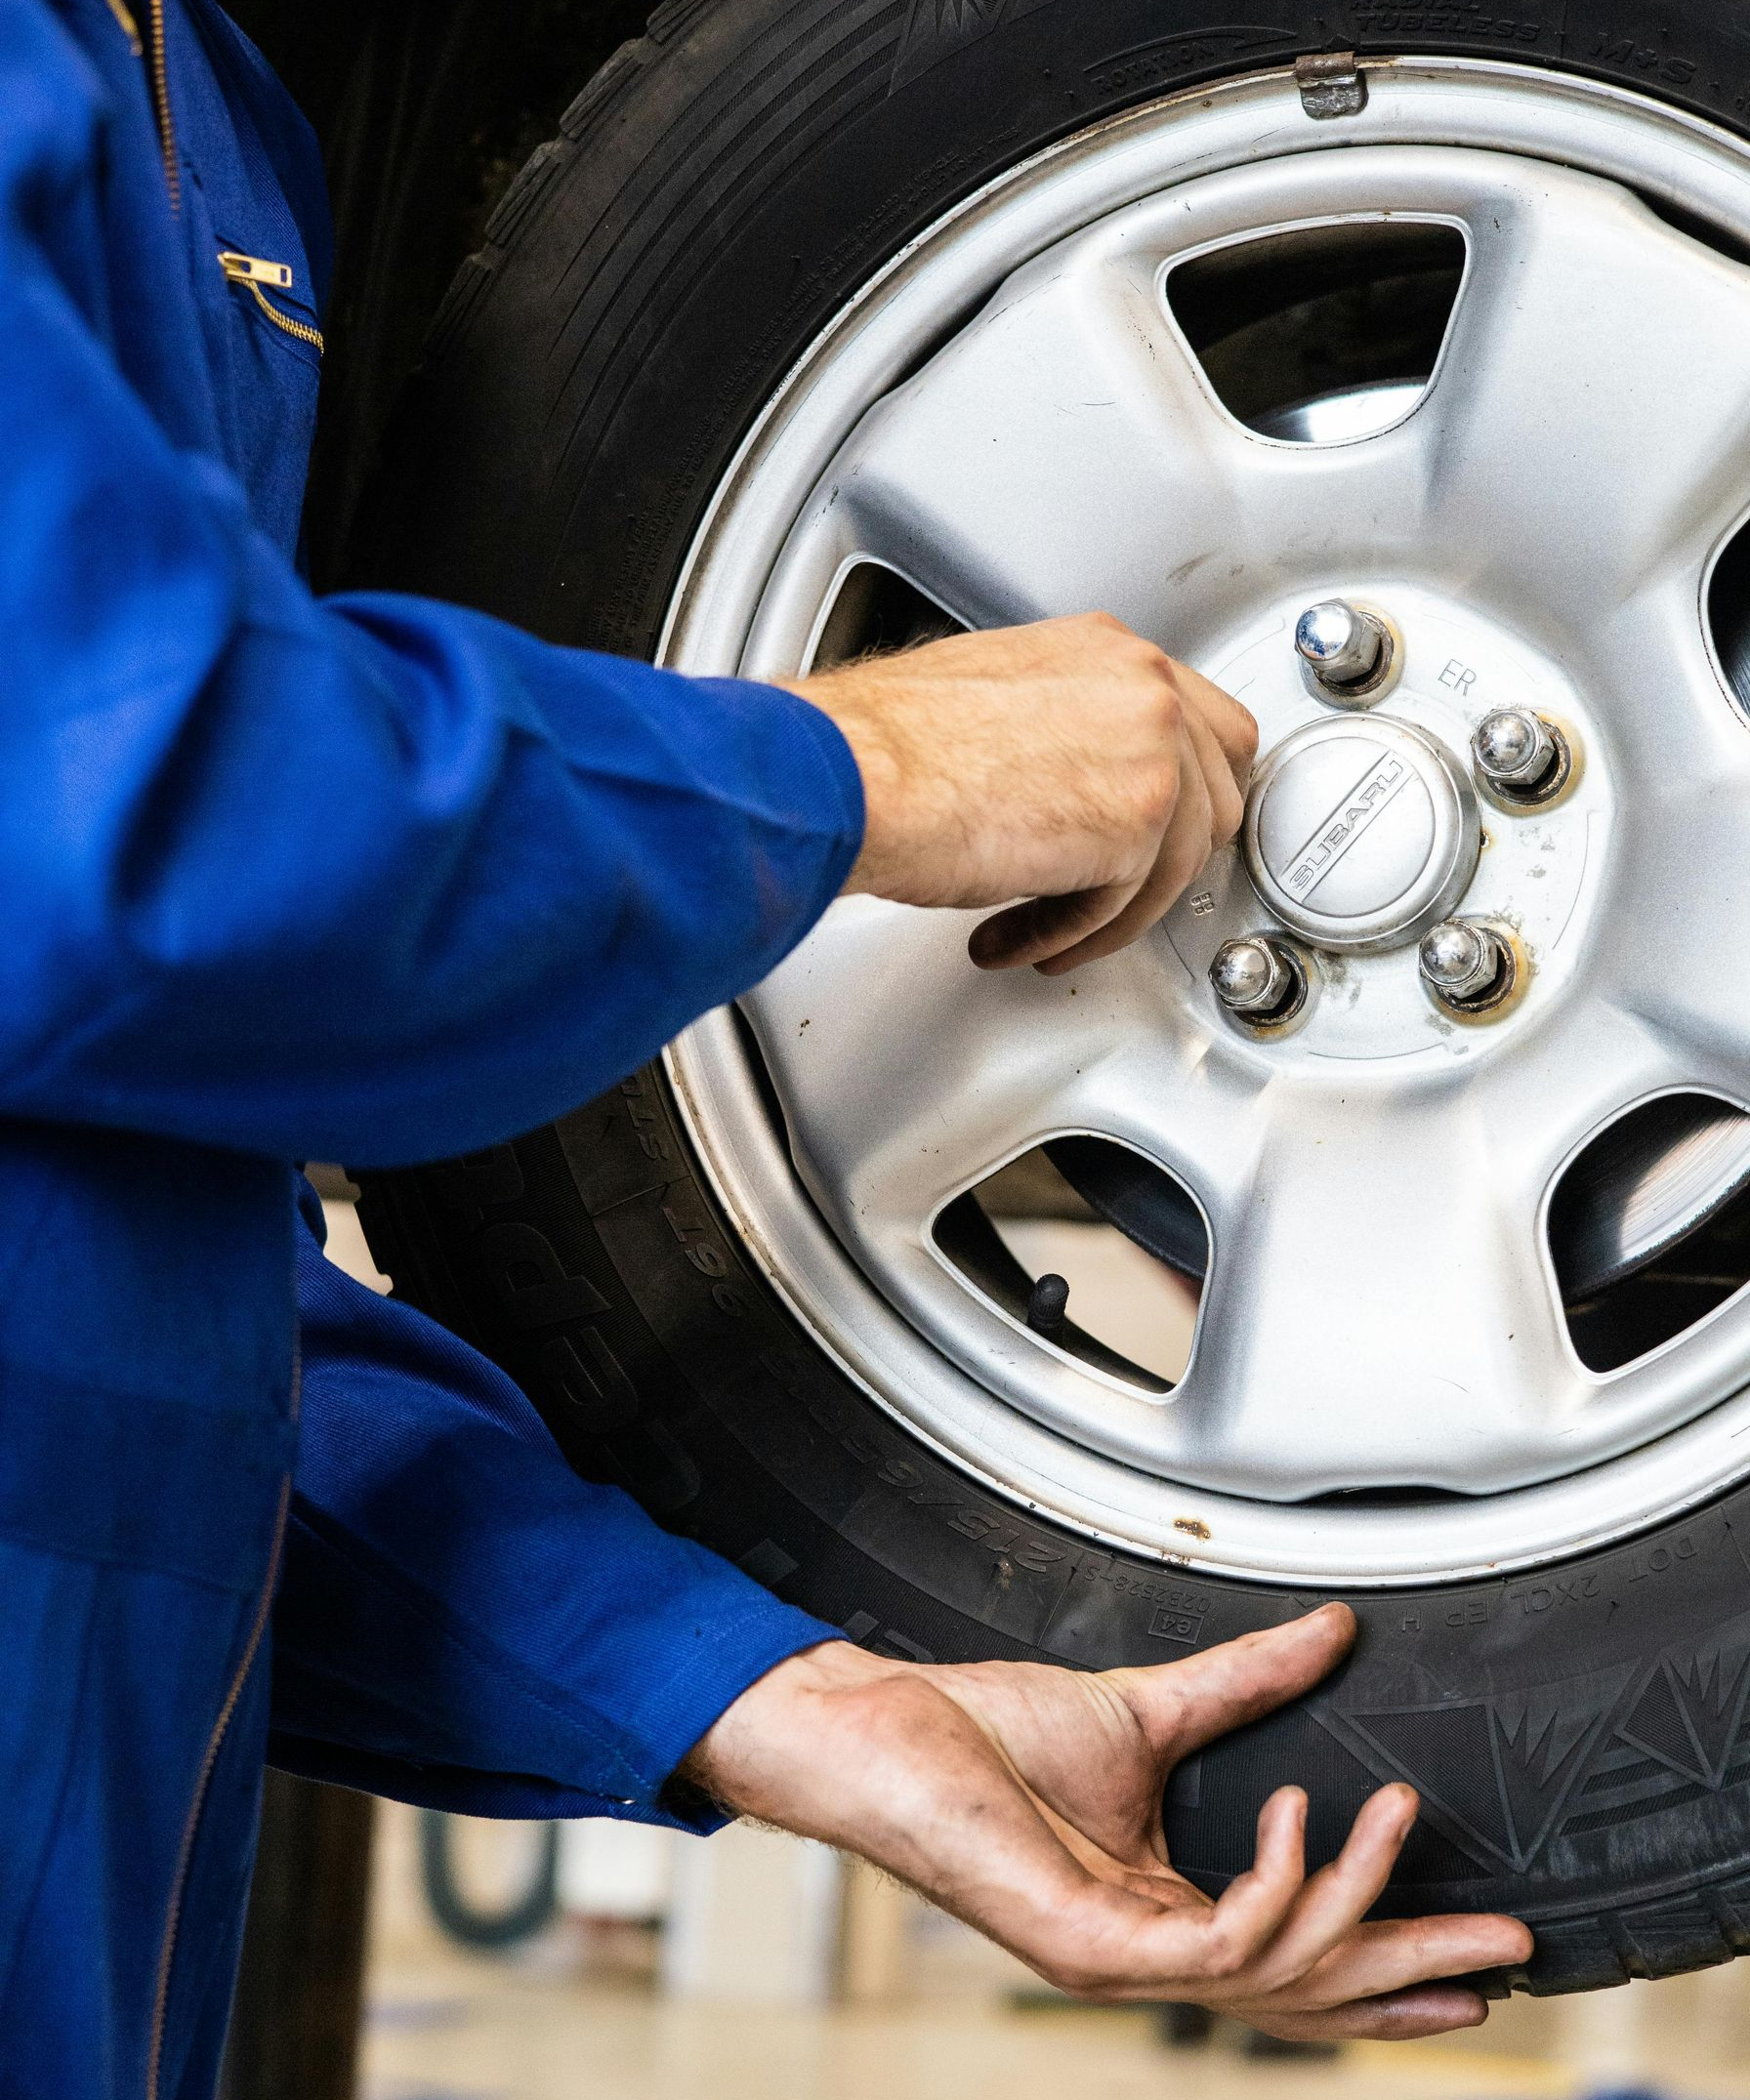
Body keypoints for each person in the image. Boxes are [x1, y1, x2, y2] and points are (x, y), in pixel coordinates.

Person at [0, 0, 1532, 2090]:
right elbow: (114, 812)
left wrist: (779, 1693)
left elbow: (131, 1255)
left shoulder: (227, 121)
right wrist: (873, 768)